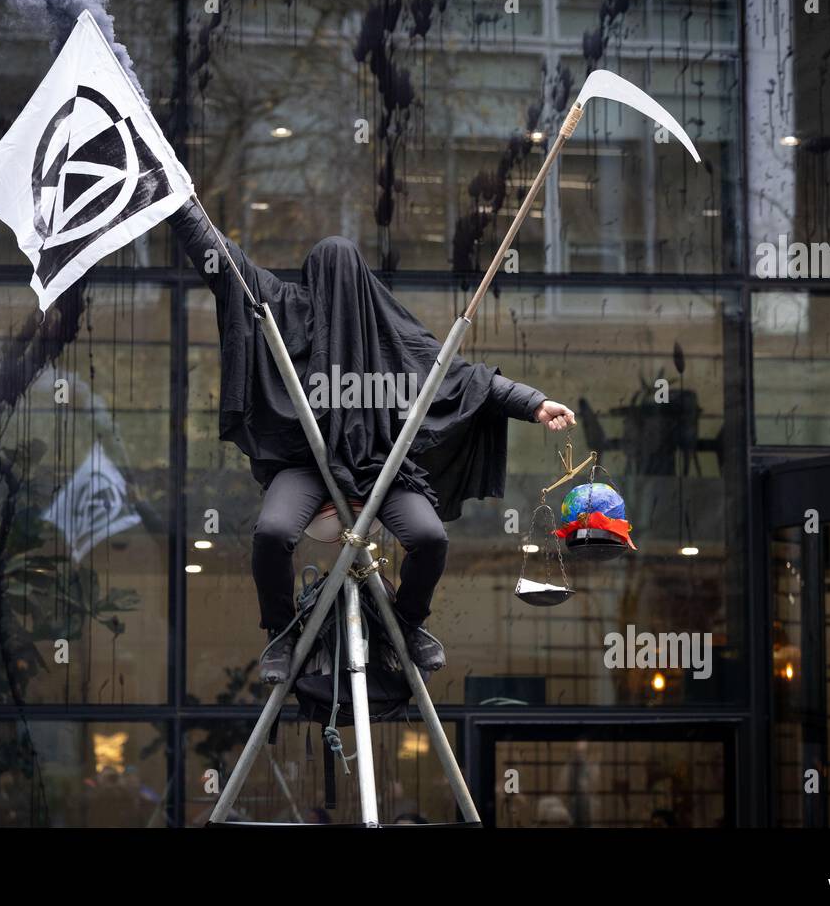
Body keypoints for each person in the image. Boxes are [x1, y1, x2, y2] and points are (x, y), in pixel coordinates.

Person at [169, 199, 575, 682]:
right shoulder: (283, 308)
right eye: (327, 278)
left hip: (381, 466)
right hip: (307, 467)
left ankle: (405, 626)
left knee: (429, 537)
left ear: (362, 284)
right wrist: (181, 204)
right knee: (272, 534)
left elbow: (467, 380)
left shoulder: (389, 331)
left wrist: (533, 403)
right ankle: (280, 634)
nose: (337, 293)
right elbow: (222, 261)